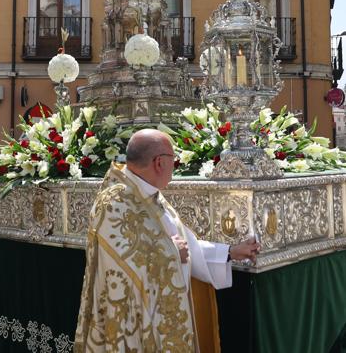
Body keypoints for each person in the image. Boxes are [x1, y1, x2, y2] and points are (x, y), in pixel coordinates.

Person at [74, 129, 260, 352]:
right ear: (159, 163)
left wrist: (230, 251)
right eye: (174, 159)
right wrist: (171, 252)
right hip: (132, 326)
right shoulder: (114, 202)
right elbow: (121, 265)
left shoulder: (148, 194)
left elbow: (184, 246)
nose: (176, 165)